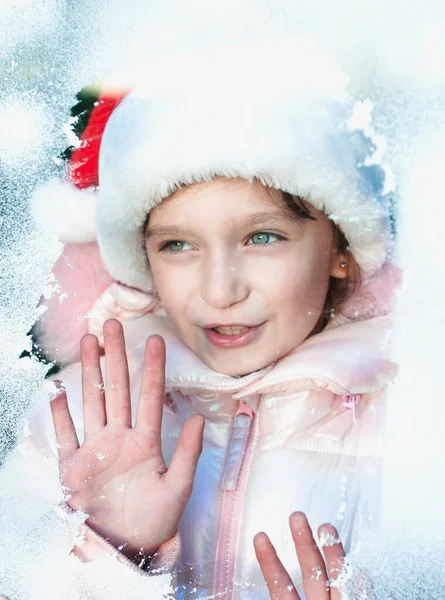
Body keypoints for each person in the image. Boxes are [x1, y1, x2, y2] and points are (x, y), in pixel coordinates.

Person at [0, 37, 399, 599]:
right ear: (141, 260)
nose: (220, 290)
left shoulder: (415, 426)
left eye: (263, 237)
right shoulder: (74, 422)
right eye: (177, 246)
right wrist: (112, 550)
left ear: (342, 247)